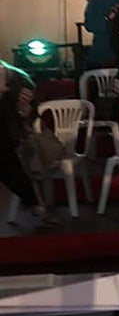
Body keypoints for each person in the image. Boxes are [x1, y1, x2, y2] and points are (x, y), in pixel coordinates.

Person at [0, 59, 55, 227]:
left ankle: (36, 204)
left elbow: (29, 116)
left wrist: (24, 108)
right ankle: (36, 204)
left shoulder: (17, 78)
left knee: (7, 161)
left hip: (10, 137)